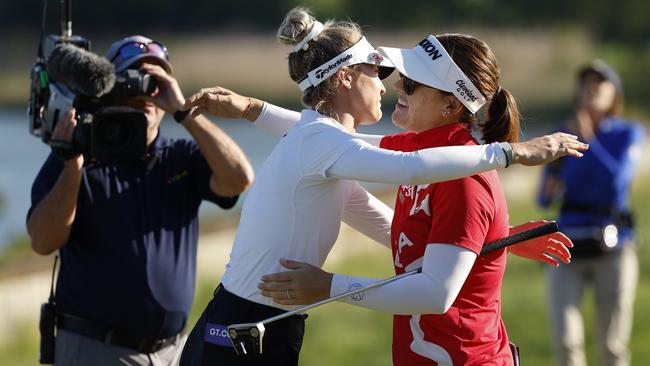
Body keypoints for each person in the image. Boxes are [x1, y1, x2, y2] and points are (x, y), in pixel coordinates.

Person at [179, 8, 586, 366]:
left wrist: (494, 234)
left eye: (407, 82)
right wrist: (511, 156)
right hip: (242, 334)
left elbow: (413, 241)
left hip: (256, 331)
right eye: (383, 73)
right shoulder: (338, 144)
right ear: (343, 79)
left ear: (451, 105)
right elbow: (403, 181)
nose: (391, 86)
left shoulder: (347, 148)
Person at [26, 35, 254, 365]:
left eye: (156, 82)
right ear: (108, 90)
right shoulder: (78, 154)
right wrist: (72, 163)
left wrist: (182, 110)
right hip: (95, 348)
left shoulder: (180, 158)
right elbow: (43, 241)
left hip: (171, 352)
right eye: (132, 80)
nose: (146, 94)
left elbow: (240, 178)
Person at [537, 60, 645, 366]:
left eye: (601, 82)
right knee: (565, 341)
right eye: (586, 83)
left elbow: (616, 181)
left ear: (615, 94)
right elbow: (544, 199)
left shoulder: (628, 133)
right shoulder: (561, 137)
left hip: (614, 245)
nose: (592, 88)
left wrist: (588, 140)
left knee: (612, 344)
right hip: (567, 244)